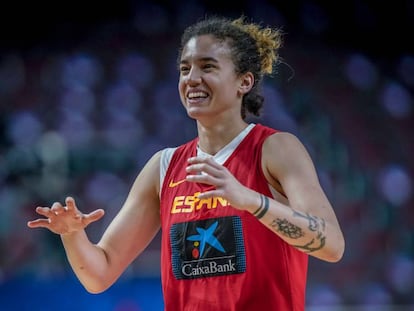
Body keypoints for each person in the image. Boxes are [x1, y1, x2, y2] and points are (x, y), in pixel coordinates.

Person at [27, 15, 345, 311]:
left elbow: (331, 244)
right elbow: (99, 274)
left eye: (207, 67)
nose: (192, 79)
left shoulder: (275, 149)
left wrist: (251, 200)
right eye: (184, 69)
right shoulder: (162, 167)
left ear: (244, 82)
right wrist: (72, 234)